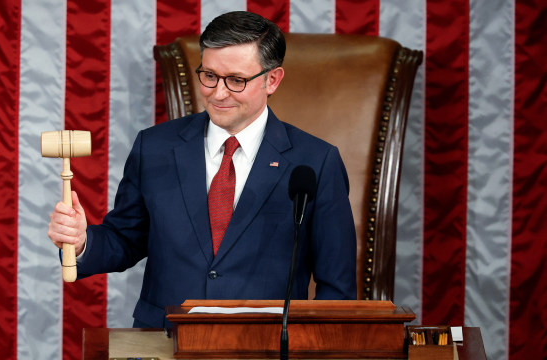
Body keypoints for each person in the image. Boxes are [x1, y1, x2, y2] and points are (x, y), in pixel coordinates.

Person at [48, 11, 356, 328]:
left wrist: (309, 354)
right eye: (209, 76)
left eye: (236, 80)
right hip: (166, 345)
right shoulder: (154, 148)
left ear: (272, 80)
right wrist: (82, 240)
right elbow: (125, 240)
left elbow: (338, 289)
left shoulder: (316, 162)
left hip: (265, 354)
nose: (218, 93)